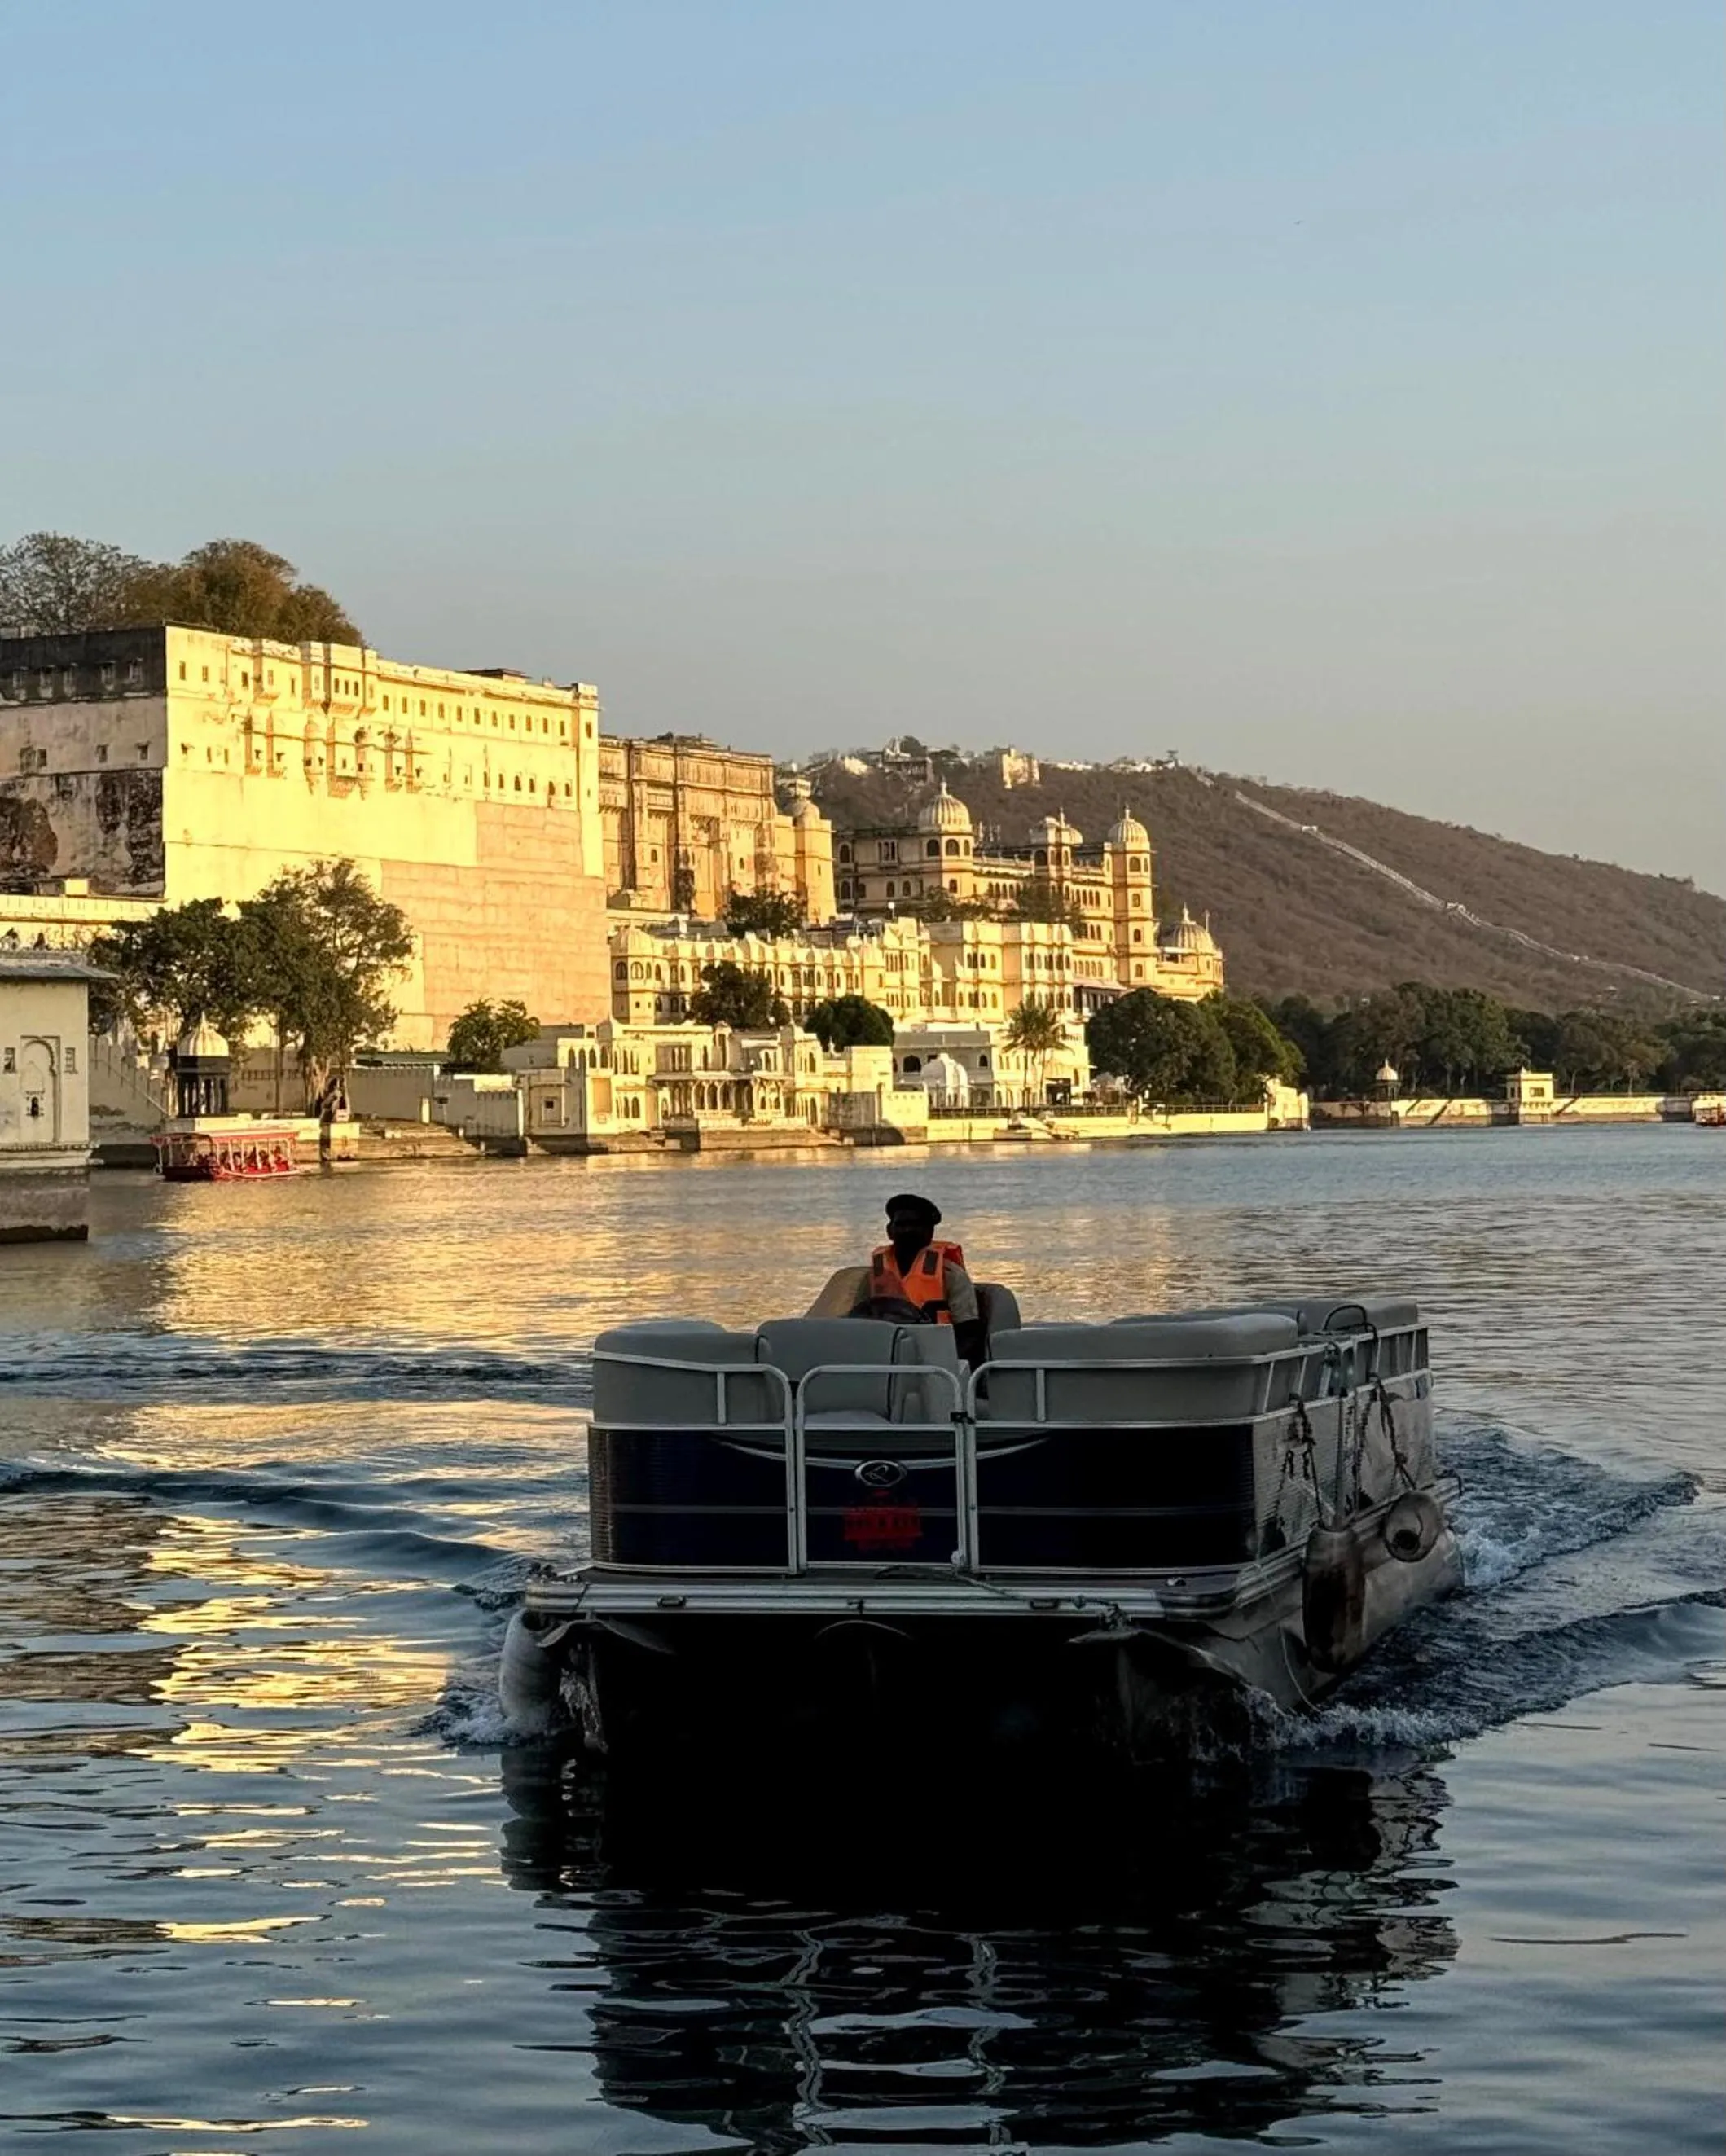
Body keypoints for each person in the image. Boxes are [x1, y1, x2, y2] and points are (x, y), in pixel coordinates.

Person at [856, 1192, 986, 1365]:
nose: (908, 1230)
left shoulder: (951, 1274)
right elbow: (856, 1323)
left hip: (937, 1362)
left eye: (916, 1224)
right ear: (890, 1231)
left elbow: (969, 1332)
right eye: (901, 1224)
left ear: (930, 1231)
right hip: (885, 1359)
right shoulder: (873, 1274)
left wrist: (949, 1366)